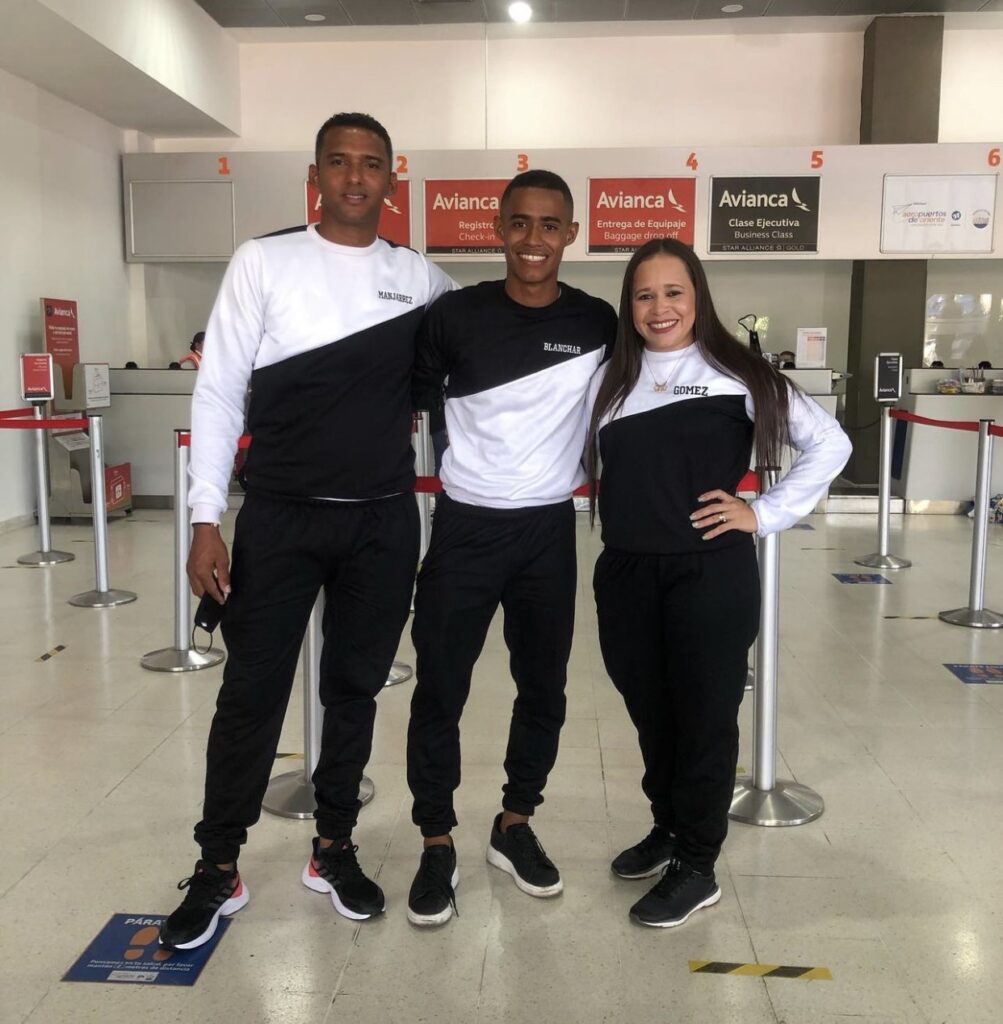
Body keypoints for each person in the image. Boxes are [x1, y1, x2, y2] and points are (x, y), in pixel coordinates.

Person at [158, 112, 455, 951]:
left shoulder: (420, 279)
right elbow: (219, 391)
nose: (356, 177)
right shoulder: (263, 260)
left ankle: (333, 847)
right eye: (339, 161)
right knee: (249, 695)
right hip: (279, 518)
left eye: (372, 164)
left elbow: (478, 360)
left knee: (353, 691)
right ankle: (219, 865)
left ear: (392, 178)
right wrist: (206, 519)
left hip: (380, 521)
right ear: (315, 174)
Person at [585, 238, 850, 929]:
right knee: (651, 713)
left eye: (673, 292)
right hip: (626, 573)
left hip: (708, 573)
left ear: (697, 296)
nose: (660, 307)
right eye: (644, 294)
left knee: (703, 719)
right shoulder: (612, 379)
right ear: (629, 305)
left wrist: (762, 513)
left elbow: (831, 443)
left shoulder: (739, 373)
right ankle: (669, 826)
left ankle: (698, 864)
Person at [406, 170, 617, 927]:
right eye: (520, 223)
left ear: (571, 234)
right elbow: (407, 403)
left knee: (543, 688)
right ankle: (436, 839)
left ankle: (514, 823)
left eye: (549, 225)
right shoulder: (454, 315)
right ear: (498, 229)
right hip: (463, 527)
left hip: (546, 532)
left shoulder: (597, 322)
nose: (534, 239)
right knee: (440, 689)